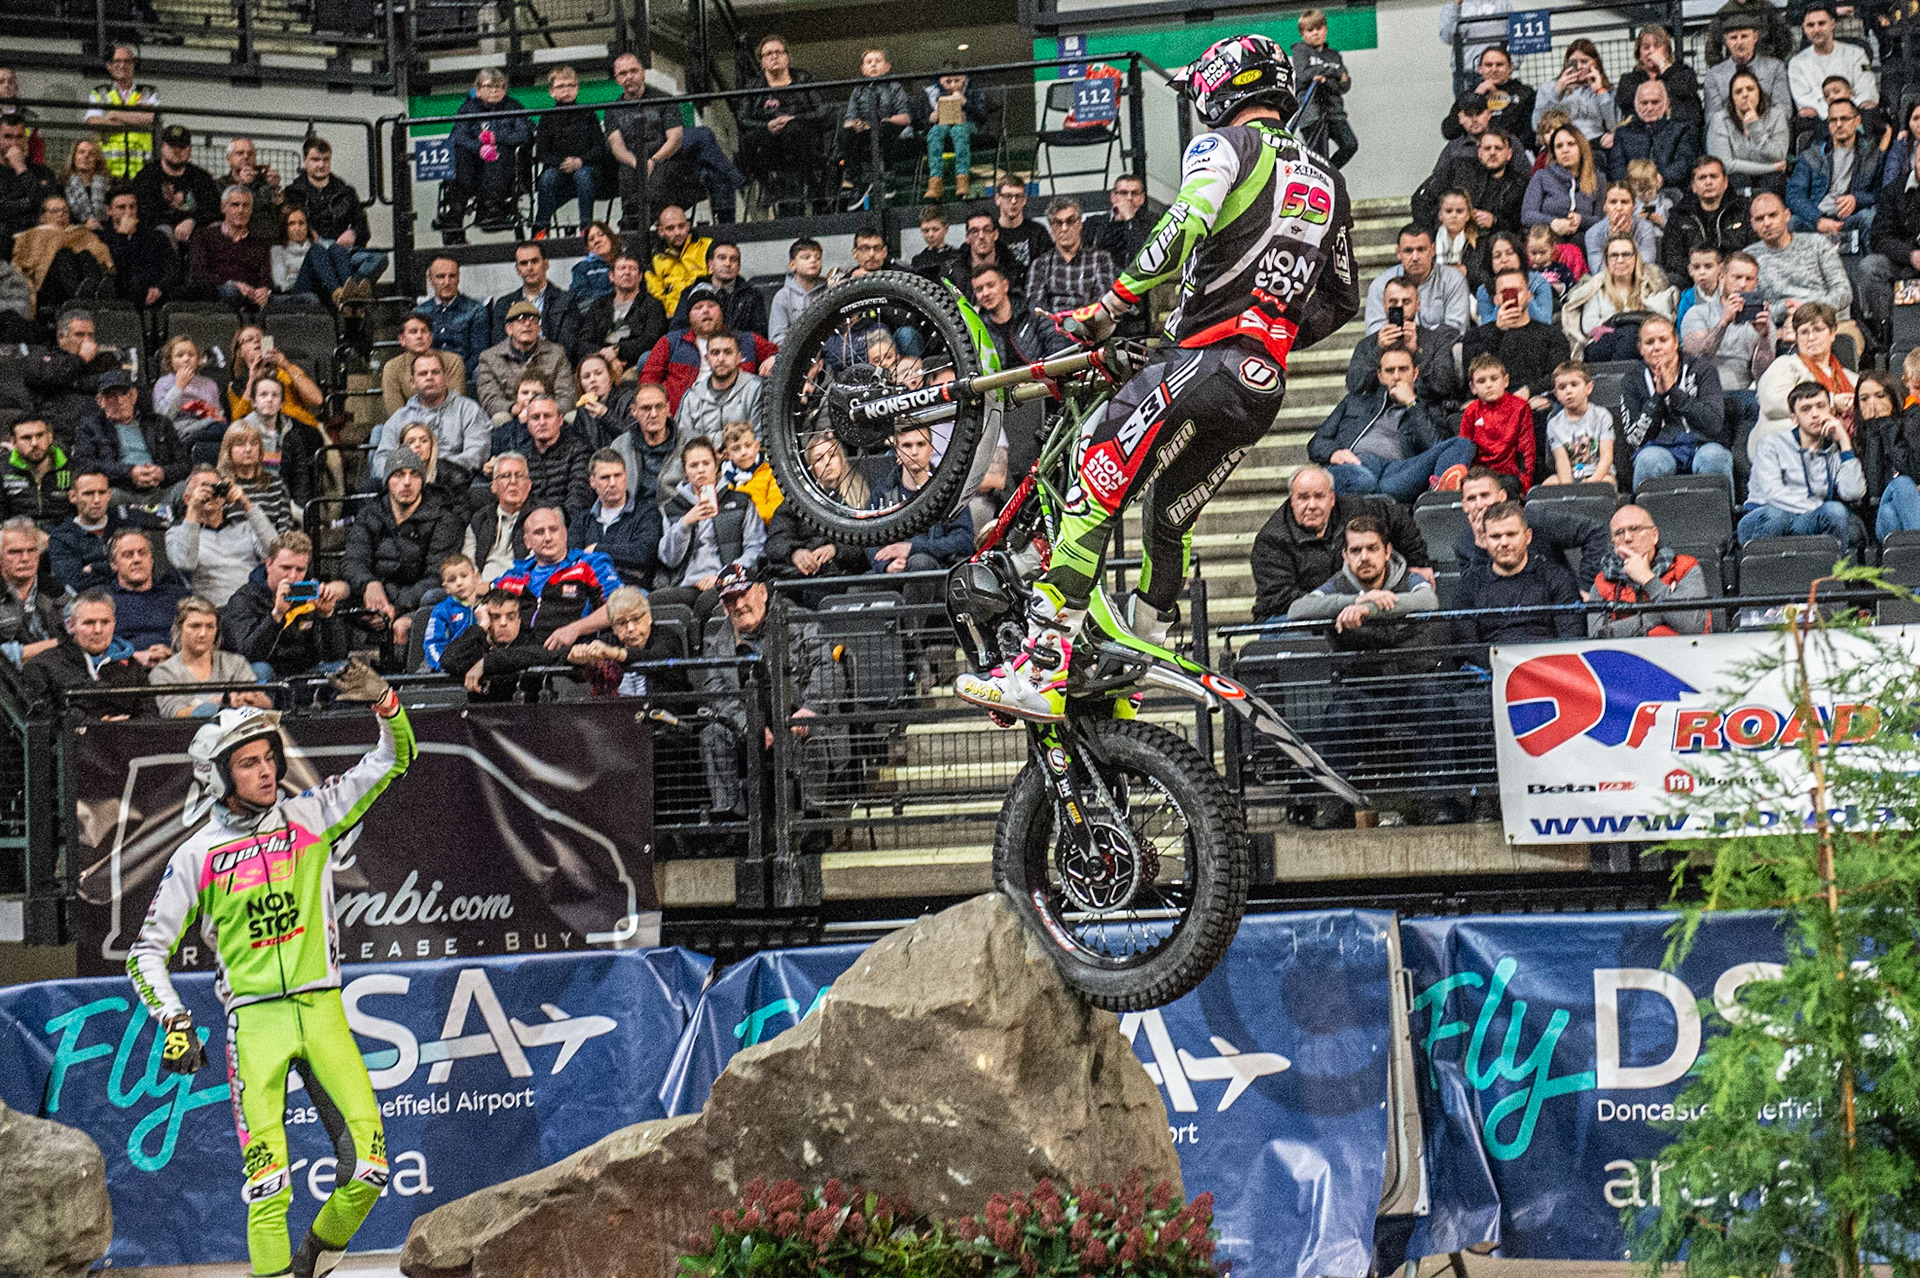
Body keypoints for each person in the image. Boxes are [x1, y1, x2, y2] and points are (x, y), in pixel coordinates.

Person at [956, 34, 1360, 721]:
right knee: (1169, 517)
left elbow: (1184, 220)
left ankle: (1045, 664)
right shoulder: (1328, 178)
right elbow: (1343, 298)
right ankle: (1135, 664)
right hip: (1261, 385)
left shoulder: (1226, 148)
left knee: (1095, 470)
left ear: (1224, 88)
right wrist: (1275, 331)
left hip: (1204, 359)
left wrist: (1114, 303)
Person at [126, 663, 407, 1278]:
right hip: (253, 1025)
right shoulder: (195, 855)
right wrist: (174, 1019)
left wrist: (384, 701)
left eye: (269, 758)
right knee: (269, 1188)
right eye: (248, 762)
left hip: (323, 1007)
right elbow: (145, 952)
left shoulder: (311, 816)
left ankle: (311, 1260)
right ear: (218, 776)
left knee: (370, 1169)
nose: (266, 771)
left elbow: (393, 761)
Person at [1251, 465, 1431, 620]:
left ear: (1332, 498)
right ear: (1292, 501)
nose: (1312, 505)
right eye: (1303, 497)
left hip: (1352, 607)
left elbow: (1399, 517)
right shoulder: (1271, 540)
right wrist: (1343, 603)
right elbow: (1281, 599)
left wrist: (1418, 562)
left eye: (1319, 496)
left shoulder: (1356, 509)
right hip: (1290, 617)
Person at [1312, 346, 1475, 499]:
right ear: (1380, 376)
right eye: (1390, 371)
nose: (1397, 376)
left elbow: (1437, 447)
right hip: (1356, 464)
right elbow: (1317, 442)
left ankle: (1438, 500)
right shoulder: (1355, 402)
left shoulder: (1430, 408)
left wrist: (1412, 403)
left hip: (1397, 472)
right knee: (1363, 480)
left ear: (1415, 373)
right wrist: (1334, 453)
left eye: (1403, 369)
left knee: (1462, 444)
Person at [656, 435, 765, 629]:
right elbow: (669, 558)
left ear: (716, 466)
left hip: (728, 581)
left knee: (706, 603)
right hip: (688, 584)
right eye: (693, 465)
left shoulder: (740, 500)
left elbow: (755, 547)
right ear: (685, 471)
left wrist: (724, 576)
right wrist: (685, 522)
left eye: (705, 463)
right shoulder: (674, 508)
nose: (700, 470)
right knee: (654, 603)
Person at [1619, 315, 1734, 488]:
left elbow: (1714, 423)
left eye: (1663, 340)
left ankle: (1721, 515)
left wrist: (1674, 392)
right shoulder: (1632, 381)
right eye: (1649, 342)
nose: (1656, 347)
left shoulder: (1703, 371)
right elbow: (1635, 439)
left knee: (1714, 457)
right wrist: (1657, 397)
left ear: (1675, 341)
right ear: (1641, 348)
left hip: (1701, 444)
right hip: (1659, 448)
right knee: (1649, 460)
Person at [1742, 380, 1864, 543]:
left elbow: (1853, 493)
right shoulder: (1771, 444)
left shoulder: (1833, 450)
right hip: (1764, 515)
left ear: (1831, 410)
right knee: (1777, 515)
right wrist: (1817, 507)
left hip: (1806, 520)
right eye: (1806, 409)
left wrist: (1844, 443)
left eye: (1820, 406)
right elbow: (1774, 494)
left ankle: (1836, 568)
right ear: (1794, 418)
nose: (1815, 414)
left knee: (1835, 511)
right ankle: (1758, 567)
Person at [492, 504, 622, 650]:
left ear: (565, 534)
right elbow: (487, 603)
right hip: (517, 659)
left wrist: (576, 628)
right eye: (539, 532)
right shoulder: (514, 576)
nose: (548, 538)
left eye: (553, 530)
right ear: (527, 541)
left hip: (570, 659)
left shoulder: (590, 564)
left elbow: (618, 607)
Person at [219, 530, 348, 678]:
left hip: (302, 673)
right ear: (268, 565)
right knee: (261, 670)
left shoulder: (308, 596)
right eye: (286, 568)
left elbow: (335, 656)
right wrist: (276, 616)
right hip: (265, 672)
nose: (293, 576)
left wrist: (327, 617)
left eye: (300, 570)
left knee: (344, 670)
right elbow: (246, 655)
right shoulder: (244, 599)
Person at [1680, 248, 1772, 455]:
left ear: (1756, 283)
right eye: (1737, 277)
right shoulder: (1697, 313)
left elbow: (1762, 374)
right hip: (1705, 395)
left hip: (1745, 397)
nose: (1742, 284)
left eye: (1749, 279)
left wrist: (1765, 338)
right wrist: (1724, 322)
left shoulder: (1761, 318)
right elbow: (1697, 358)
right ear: (1722, 277)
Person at [1454, 500, 1585, 642]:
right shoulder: (1469, 584)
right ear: (1484, 540)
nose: (1504, 543)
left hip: (1545, 661)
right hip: (1489, 662)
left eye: (1511, 534)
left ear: (1528, 536)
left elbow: (1571, 636)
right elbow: (1465, 646)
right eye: (1495, 536)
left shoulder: (1557, 578)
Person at [639, 284, 777, 412]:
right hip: (683, 420)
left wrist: (774, 358)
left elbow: (785, 355)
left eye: (711, 306)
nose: (705, 311)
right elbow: (649, 379)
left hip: (737, 419)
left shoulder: (747, 340)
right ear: (689, 316)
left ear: (721, 312)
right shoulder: (671, 342)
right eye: (698, 308)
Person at [1745, 191, 1858, 341]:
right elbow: (1749, 309)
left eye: (1773, 215)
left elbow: (1843, 292)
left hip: (1826, 322)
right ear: (1752, 224)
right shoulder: (1749, 257)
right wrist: (1784, 310)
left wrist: (1806, 311)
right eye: (1760, 219)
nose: (1767, 223)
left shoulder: (1818, 244)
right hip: (1777, 328)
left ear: (1787, 215)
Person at [1460, 266, 1571, 417]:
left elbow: (1559, 373)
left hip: (1532, 402)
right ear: (1496, 299)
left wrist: (1529, 390)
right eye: (1504, 292)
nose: (1512, 297)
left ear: (1529, 295)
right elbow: (1474, 371)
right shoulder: (1476, 335)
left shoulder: (1551, 334)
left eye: (1517, 291)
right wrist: (1497, 331)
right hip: (1490, 404)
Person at [736, 34, 831, 209]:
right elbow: (743, 118)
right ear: (761, 62)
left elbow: (823, 110)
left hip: (800, 138)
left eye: (779, 52)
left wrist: (794, 118)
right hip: (768, 141)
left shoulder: (803, 79)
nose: (774, 56)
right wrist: (766, 125)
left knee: (793, 129)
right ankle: (768, 184)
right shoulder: (753, 86)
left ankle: (812, 186)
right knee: (747, 139)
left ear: (787, 57)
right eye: (769, 53)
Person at [1753, 299, 1855, 459]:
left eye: (1818, 330)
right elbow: (1772, 403)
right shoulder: (1785, 365)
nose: (1811, 337)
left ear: (1833, 333)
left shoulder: (1851, 378)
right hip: (1780, 447)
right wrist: (1832, 402)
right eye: (1804, 332)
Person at [21, 589, 151, 712]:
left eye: (105, 622)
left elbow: (150, 716)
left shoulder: (133, 668)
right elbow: (43, 723)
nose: (98, 630)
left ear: (114, 624)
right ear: (70, 625)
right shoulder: (42, 667)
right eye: (89, 623)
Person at [1590, 504, 1710, 637]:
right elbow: (1598, 637)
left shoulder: (1684, 568)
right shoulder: (1602, 583)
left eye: (1634, 528)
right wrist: (1656, 615)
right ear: (1614, 545)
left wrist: (1647, 579)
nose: (1628, 538)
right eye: (1619, 533)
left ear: (1654, 535)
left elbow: (1692, 626)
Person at [167, 466, 278, 607]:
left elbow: (275, 553)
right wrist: (194, 509)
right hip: (211, 611)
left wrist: (247, 505)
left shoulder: (245, 527)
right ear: (187, 499)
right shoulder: (176, 533)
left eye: (215, 488)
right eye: (203, 488)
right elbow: (185, 563)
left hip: (251, 607)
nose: (210, 494)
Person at [75, 369, 187, 505]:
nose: (120, 400)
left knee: (188, 490)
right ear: (100, 401)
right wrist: (129, 472)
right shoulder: (90, 427)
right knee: (106, 497)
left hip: (161, 490)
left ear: (133, 395)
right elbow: (85, 464)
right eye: (111, 396)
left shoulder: (159, 423)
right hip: (119, 491)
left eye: (124, 393)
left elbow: (184, 464)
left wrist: (162, 472)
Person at [1346, 275, 1463, 403]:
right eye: (1393, 302)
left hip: (1422, 410)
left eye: (1406, 302)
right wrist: (1378, 351)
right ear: (1384, 305)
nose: (1400, 307)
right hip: (1378, 412)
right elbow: (1354, 387)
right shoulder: (1367, 345)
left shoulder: (1437, 341)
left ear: (1418, 305)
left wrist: (1416, 353)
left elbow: (1442, 388)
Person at [1561, 234, 1676, 360]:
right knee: (1630, 333)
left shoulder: (1651, 284)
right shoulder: (1597, 288)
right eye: (1614, 255)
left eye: (1626, 254)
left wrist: (1619, 321)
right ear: (1607, 260)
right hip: (1602, 344)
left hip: (1644, 341)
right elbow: (1589, 325)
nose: (1620, 260)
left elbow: (1663, 317)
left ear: (1635, 258)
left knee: (1634, 335)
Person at [150, 595, 268, 716]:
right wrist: (222, 703)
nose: (203, 634)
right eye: (195, 626)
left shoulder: (235, 663)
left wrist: (253, 700)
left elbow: (265, 706)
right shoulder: (164, 672)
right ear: (180, 629)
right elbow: (175, 714)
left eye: (210, 626)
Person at [1786, 97, 1882, 243]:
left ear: (1857, 121)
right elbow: (1794, 194)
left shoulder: (1872, 155)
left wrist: (1856, 199)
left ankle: (1867, 264)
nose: (1838, 124)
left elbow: (1880, 193)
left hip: (1851, 218)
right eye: (1833, 120)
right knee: (1792, 221)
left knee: (1869, 217)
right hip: (1817, 218)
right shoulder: (1812, 155)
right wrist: (1817, 219)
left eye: (1844, 119)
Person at [23, 308, 122, 440]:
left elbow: (114, 384)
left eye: (90, 335)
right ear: (61, 338)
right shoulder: (43, 356)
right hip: (56, 433)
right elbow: (47, 376)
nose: (87, 341)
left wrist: (74, 381)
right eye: (80, 335)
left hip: (99, 432)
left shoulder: (105, 359)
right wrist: (80, 359)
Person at [568, 447, 661, 585]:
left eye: (617, 476)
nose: (612, 483)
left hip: (631, 590)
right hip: (589, 590)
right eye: (605, 477)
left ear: (626, 477)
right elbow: (572, 557)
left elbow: (643, 554)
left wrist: (597, 549)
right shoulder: (582, 520)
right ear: (592, 482)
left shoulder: (646, 513)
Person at [48, 469, 152, 592]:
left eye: (102, 493)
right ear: (73, 496)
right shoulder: (61, 537)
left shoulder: (127, 523)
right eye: (89, 493)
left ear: (109, 494)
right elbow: (75, 583)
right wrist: (122, 570)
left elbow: (148, 567)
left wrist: (95, 567)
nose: (97, 500)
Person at [533, 65, 605, 235]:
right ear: (551, 91)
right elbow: (542, 153)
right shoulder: (546, 117)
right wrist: (562, 163)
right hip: (557, 168)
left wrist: (580, 161)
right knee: (547, 178)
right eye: (561, 86)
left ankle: (585, 230)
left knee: (583, 176)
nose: (566, 90)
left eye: (570, 85)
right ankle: (540, 231)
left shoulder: (588, 114)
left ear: (577, 88)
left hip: (587, 167)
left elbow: (599, 148)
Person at [439, 586, 547, 700]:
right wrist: (482, 626)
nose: (503, 623)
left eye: (511, 617)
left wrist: (486, 663)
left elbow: (545, 654)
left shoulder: (531, 642)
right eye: (495, 617)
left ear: (519, 620)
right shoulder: (475, 643)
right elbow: (448, 660)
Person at [477, 300, 576, 421]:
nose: (528, 324)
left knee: (572, 417)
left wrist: (540, 410)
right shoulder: (489, 358)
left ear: (539, 329)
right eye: (521, 320)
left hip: (548, 416)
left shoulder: (556, 353)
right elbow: (490, 399)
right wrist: (515, 409)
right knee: (500, 418)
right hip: (513, 416)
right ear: (509, 329)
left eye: (533, 320)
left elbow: (566, 396)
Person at [1364, 225, 1471, 334]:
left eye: (1421, 250)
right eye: (1408, 251)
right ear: (1399, 253)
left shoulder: (1453, 279)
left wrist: (1419, 342)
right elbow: (1374, 332)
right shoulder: (1381, 284)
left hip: (1441, 349)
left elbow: (1456, 329)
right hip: (1394, 348)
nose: (1415, 257)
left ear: (1433, 250)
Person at [130, 124, 221, 251]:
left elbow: (213, 208)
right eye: (172, 146)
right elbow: (145, 211)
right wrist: (174, 225)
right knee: (164, 233)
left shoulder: (201, 177)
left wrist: (192, 221)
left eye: (182, 146)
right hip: (158, 234)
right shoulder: (147, 176)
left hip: (196, 231)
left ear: (189, 150)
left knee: (216, 229)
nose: (177, 150)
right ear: (162, 147)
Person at [1855, 368, 1920, 540]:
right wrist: (1874, 433)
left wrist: (1887, 427)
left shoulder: (1912, 422)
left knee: (1890, 512)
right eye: (1864, 399)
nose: (1873, 404)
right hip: (1875, 520)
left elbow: (1914, 471)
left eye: (1880, 395)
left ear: (1893, 396)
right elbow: (1874, 492)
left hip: (1904, 511)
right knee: (1901, 484)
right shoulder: (1854, 435)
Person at [1025, 196, 1117, 314]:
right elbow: (1036, 308)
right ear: (1051, 227)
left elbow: (1103, 304)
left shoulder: (1100, 259)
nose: (1064, 228)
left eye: (1070, 221)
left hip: (1090, 325)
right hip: (1052, 328)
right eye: (1058, 223)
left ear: (1079, 223)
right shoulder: (1040, 264)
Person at [1662, 157, 1751, 279]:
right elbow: (1672, 258)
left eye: (1714, 176)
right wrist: (1702, 272)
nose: (1708, 182)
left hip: (1738, 279)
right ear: (1693, 186)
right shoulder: (1679, 215)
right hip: (1693, 281)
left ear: (1725, 182)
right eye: (1702, 178)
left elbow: (1753, 250)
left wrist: (1723, 272)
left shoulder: (1745, 210)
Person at [1707, 69, 1791, 197]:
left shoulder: (1776, 116)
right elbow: (1725, 165)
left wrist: (1755, 127)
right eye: (1738, 92)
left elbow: (1778, 155)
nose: (1745, 95)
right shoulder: (1719, 119)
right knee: (1736, 179)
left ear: (1759, 93)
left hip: (1769, 178)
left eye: (1750, 89)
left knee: (1776, 180)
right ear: (1732, 98)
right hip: (1736, 178)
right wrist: (1771, 167)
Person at [1291, 8, 1357, 169]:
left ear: (1325, 29)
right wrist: (1333, 73)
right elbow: (1304, 75)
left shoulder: (1334, 55)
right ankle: (1323, 178)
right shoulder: (1300, 50)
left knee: (1350, 145)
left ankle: (1329, 175)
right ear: (1303, 33)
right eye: (1310, 30)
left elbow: (1344, 84)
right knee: (1320, 157)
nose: (1315, 33)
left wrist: (1326, 77)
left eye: (1319, 28)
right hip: (1312, 114)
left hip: (1334, 112)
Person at [1458, 353, 1535, 490]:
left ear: (1505, 381)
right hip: (1480, 475)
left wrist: (1525, 485)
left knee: (1508, 485)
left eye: (1494, 379)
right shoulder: (1471, 411)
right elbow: (1463, 449)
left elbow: (1526, 450)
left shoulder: (1520, 407)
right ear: (1473, 387)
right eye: (1481, 381)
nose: (1489, 385)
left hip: (1510, 475)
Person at [105, 525, 187, 653]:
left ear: (152, 560)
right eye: (128, 555)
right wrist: (133, 657)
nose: (137, 559)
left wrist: (175, 657)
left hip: (176, 667)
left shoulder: (179, 597)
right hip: (123, 668)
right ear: (114, 564)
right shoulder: (101, 601)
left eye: (143, 553)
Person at [1606, 80, 1697, 193]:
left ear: (1666, 103)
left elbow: (1684, 163)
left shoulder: (1682, 130)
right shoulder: (1623, 133)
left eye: (1655, 102)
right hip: (1632, 193)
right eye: (1644, 103)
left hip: (1670, 190)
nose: (1649, 108)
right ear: (1636, 104)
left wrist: (1661, 178)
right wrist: (1634, 184)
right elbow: (1616, 167)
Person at [1788, 5, 1877, 121]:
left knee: (1869, 105)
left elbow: (1867, 89)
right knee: (1806, 112)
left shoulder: (1858, 54)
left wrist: (1846, 111)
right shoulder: (1796, 63)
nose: (1816, 30)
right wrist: (1832, 114)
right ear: (1804, 28)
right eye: (1810, 25)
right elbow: (1804, 99)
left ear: (1832, 23)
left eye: (1821, 23)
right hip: (1818, 121)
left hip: (1855, 116)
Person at [0, 516, 67, 665]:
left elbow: (82, 637)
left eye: (32, 550)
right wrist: (50, 645)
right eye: (15, 552)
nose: (25, 558)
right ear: (0, 558)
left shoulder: (57, 590)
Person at [677, 328, 766, 440]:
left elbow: (760, 437)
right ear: (707, 359)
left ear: (738, 358)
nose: (721, 359)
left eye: (728, 352)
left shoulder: (755, 389)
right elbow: (682, 442)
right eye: (715, 353)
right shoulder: (692, 396)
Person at [489, 240, 577, 351]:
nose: (529, 268)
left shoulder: (566, 301)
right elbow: (499, 348)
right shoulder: (504, 305)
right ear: (517, 269)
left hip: (554, 364)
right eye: (523, 263)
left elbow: (567, 347)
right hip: (514, 365)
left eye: (534, 261)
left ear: (546, 264)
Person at [85, 45, 157, 180]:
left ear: (134, 65)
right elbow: (93, 121)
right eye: (117, 61)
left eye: (127, 61)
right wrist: (134, 121)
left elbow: (151, 117)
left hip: (142, 169)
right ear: (109, 66)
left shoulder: (148, 91)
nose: (122, 65)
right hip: (107, 170)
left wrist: (114, 115)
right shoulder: (99, 92)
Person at [100, 184, 175, 312]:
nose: (128, 212)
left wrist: (159, 288)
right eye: (121, 207)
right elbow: (114, 268)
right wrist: (122, 236)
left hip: (155, 294)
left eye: (132, 206)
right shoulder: (100, 239)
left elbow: (171, 266)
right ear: (109, 211)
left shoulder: (156, 237)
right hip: (119, 296)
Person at [1703, 14, 1791, 122]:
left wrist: (1755, 123)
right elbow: (1713, 117)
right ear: (1726, 42)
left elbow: (1783, 109)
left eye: (1744, 36)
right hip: (1729, 134)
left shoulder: (1775, 68)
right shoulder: (1714, 75)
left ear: (1755, 37)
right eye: (1733, 38)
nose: (1739, 43)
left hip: (1768, 130)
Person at [1614, 25, 1703, 130]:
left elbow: (1684, 91)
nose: (1651, 51)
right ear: (1639, 53)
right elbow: (1625, 103)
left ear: (1667, 50)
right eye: (1646, 47)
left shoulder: (1682, 72)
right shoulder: (1630, 79)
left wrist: (1663, 65)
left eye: (1657, 46)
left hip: (1679, 132)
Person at [1532, 39, 1620, 145]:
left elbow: (1613, 126)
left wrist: (1600, 91)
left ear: (1596, 63)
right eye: (1573, 62)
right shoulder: (1548, 87)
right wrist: (1557, 92)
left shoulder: (1607, 91)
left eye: (1584, 62)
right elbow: (1536, 125)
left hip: (1594, 142)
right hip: (1560, 143)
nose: (1578, 67)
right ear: (1566, 63)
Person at [1543, 361, 1615, 486]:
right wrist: (1569, 489)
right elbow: (1561, 461)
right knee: (1548, 485)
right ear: (1556, 394)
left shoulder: (1602, 416)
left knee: (1607, 483)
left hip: (1599, 474)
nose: (1568, 391)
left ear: (1589, 388)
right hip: (1569, 476)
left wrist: (1592, 482)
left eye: (1574, 385)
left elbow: (1606, 457)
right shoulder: (1554, 424)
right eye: (1562, 387)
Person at [922, 63, 989, 199]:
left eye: (957, 80)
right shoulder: (932, 93)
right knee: (935, 132)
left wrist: (966, 103)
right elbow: (921, 122)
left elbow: (982, 116)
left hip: (968, 126)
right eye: (948, 81)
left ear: (964, 78)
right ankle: (935, 181)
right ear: (941, 80)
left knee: (959, 131)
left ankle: (962, 179)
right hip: (942, 125)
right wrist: (931, 118)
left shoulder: (974, 89)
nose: (953, 85)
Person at [1522, 124, 1601, 239]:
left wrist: (1581, 220)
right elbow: (1527, 215)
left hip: (1584, 241)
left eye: (1571, 144)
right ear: (1554, 153)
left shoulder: (1598, 179)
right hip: (1548, 240)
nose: (1565, 150)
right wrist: (1553, 222)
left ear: (1581, 147)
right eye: (1559, 146)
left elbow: (1602, 221)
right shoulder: (1542, 176)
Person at [1445, 44, 1534, 145]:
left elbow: (1529, 134)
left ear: (1510, 68)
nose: (1494, 69)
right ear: (1480, 69)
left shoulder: (1525, 94)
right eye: (1488, 65)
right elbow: (1449, 131)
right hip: (1474, 152)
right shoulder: (1469, 95)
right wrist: (1476, 97)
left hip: (1512, 150)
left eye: (1499, 64)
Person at [419, 257, 490, 383]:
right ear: (431, 279)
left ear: (458, 278)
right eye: (441, 277)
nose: (447, 282)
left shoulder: (475, 311)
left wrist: (453, 376)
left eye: (452, 276)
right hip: (427, 376)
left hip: (463, 375)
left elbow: (479, 354)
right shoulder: (420, 313)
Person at [217, 421, 296, 533]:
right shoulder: (221, 486)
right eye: (241, 444)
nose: (249, 449)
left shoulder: (275, 483)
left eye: (254, 443)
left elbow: (285, 529)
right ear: (228, 450)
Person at [380, 315, 467, 415]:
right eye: (413, 332)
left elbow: (455, 404)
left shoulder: (452, 361)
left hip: (447, 422)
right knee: (378, 430)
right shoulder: (392, 367)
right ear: (402, 339)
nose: (419, 336)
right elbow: (396, 413)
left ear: (430, 337)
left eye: (424, 331)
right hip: (408, 426)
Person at [3, 417, 76, 527]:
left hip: (63, 538)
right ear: (13, 442)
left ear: (50, 437)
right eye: (26, 438)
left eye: (40, 435)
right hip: (17, 538)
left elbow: (81, 517)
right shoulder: (2, 470)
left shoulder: (72, 469)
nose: (34, 443)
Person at [642, 204, 708, 316]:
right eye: (670, 228)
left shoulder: (707, 247)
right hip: (673, 321)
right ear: (661, 231)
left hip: (705, 314)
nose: (677, 232)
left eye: (681, 226)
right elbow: (656, 299)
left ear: (688, 226)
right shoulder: (656, 261)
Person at [1583, 181, 1660, 274]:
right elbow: (1598, 273)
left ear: (1633, 206)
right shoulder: (1593, 234)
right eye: (1613, 202)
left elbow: (1646, 267)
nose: (1619, 207)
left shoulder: (1645, 228)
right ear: (1605, 206)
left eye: (1624, 202)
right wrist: (1612, 242)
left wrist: (1626, 239)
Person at [222, 137, 284, 242]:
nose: (246, 157)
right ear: (229, 158)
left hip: (266, 241)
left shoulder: (265, 183)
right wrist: (242, 185)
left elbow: (279, 213)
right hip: (234, 242)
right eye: (240, 153)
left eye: (250, 154)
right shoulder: (221, 184)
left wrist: (275, 188)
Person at [989, 175, 1053, 276]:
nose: (1013, 201)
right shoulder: (989, 233)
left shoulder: (1038, 232)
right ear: (998, 199)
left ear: (1024, 200)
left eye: (1018, 196)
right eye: (1008, 196)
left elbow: (1049, 267)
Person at [768, 236, 825, 345]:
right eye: (806, 257)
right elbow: (777, 338)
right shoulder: (783, 296)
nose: (813, 260)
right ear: (792, 264)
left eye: (818, 258)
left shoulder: (829, 290)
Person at [1088, 174, 1154, 267]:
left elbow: (1142, 257)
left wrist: (1129, 218)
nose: (1129, 198)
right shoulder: (1094, 223)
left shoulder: (1151, 222)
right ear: (1113, 196)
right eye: (1123, 193)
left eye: (1134, 193)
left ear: (1142, 198)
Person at [61, 138, 111, 230]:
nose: (86, 156)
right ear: (74, 157)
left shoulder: (109, 186)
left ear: (97, 159)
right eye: (81, 152)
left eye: (91, 154)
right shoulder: (62, 185)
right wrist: (84, 226)